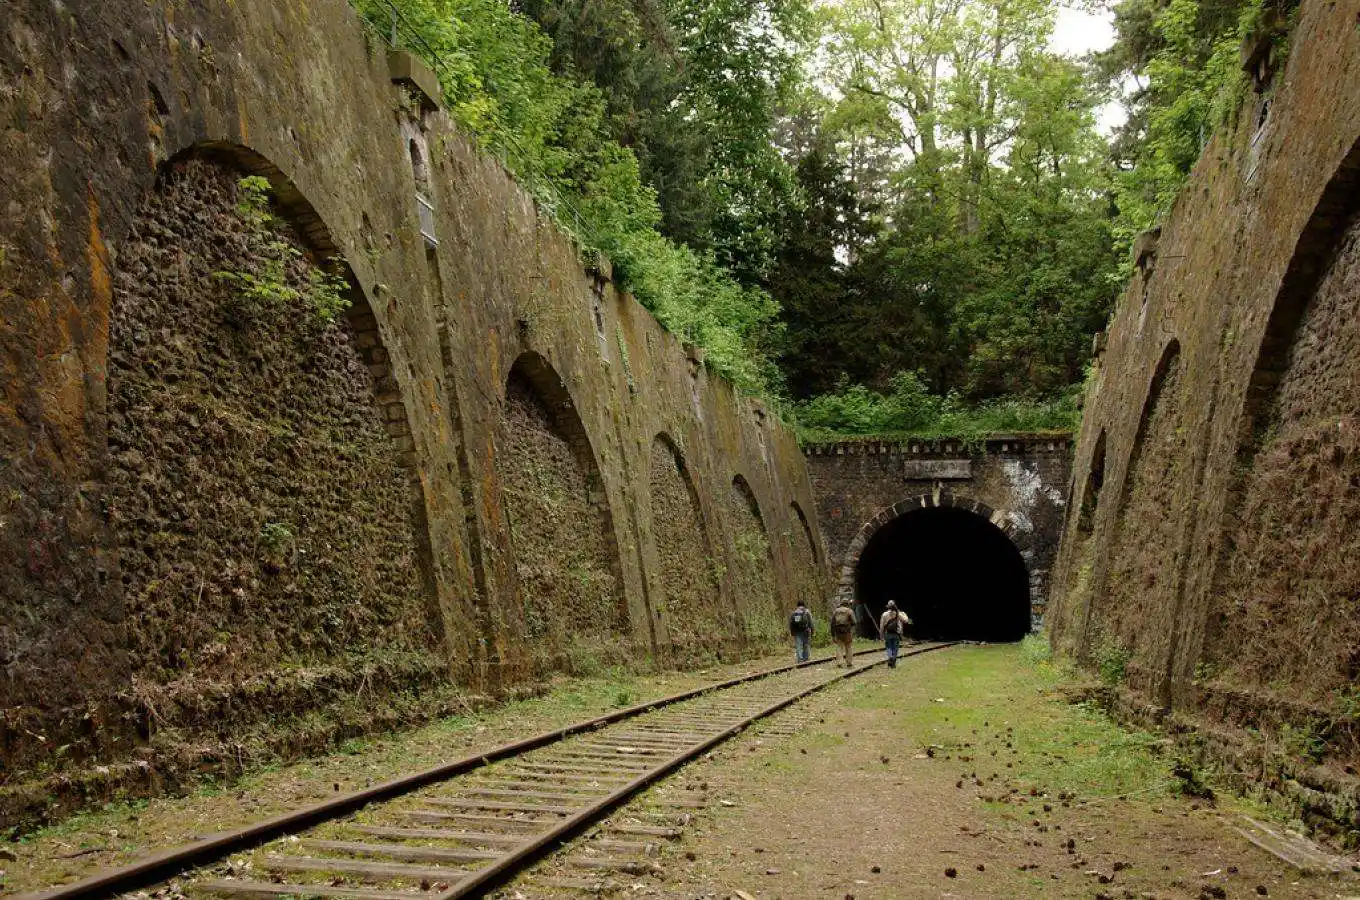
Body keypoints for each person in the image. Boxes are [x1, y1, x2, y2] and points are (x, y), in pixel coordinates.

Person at [878, 600, 910, 668]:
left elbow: (881, 626)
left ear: (888, 607)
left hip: (888, 634)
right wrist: (904, 614)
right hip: (896, 634)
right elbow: (906, 620)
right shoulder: (898, 613)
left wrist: (881, 635)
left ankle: (890, 658)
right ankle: (893, 662)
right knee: (895, 648)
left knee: (889, 648)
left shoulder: (884, 614)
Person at [829, 597, 857, 667]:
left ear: (841, 603)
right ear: (847, 604)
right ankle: (849, 662)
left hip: (838, 632)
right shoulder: (849, 611)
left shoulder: (836, 611)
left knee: (839, 647)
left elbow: (832, 624)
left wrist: (833, 635)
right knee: (848, 647)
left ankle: (839, 662)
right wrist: (851, 627)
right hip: (847, 632)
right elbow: (854, 622)